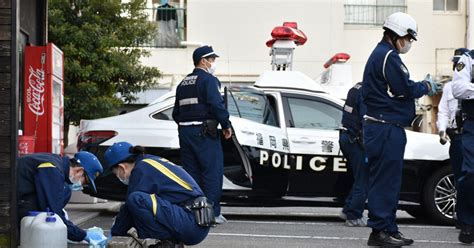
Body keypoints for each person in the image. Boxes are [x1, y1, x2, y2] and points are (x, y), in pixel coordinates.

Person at [361, 12, 441, 247]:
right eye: (409, 38)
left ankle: (388, 228)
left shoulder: (383, 55)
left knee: (390, 181)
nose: (409, 43)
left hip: (385, 127)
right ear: (397, 35)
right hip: (384, 127)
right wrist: (425, 85)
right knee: (385, 181)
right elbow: (404, 88)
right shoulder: (388, 56)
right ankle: (379, 232)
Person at [104, 141, 211, 247]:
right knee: (143, 203)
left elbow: (128, 209)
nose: (118, 177)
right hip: (196, 220)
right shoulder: (148, 162)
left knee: (136, 199)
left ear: (122, 167)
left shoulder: (141, 170)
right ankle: (172, 242)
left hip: (191, 222)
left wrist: (114, 234)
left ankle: (168, 244)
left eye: (115, 173)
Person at [172, 45, 232, 224]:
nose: (213, 63)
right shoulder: (208, 80)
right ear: (203, 60)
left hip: (185, 132)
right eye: (212, 59)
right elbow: (217, 105)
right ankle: (211, 214)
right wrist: (226, 124)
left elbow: (176, 113)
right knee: (212, 172)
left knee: (192, 174)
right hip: (204, 133)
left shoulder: (183, 83)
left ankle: (194, 213)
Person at [17, 151, 105, 244]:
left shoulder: (57, 165)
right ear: (79, 170)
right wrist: (82, 235)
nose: (83, 186)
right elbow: (52, 213)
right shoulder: (51, 169)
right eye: (85, 182)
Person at [436, 48, 469, 228]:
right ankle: (462, 217)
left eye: (460, 63)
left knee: (470, 176)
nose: (456, 66)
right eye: (455, 63)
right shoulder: (449, 87)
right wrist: (441, 130)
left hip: (470, 135)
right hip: (456, 137)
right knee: (459, 177)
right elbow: (443, 111)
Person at [451, 49, 474, 244]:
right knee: (471, 173)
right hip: (473, 124)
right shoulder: (468, 59)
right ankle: (467, 221)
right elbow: (458, 88)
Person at [339, 82, 368, 227]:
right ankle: (353, 215)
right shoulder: (366, 91)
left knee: (358, 178)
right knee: (363, 179)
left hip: (346, 137)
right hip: (354, 139)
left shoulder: (356, 87)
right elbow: (366, 118)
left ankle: (348, 209)